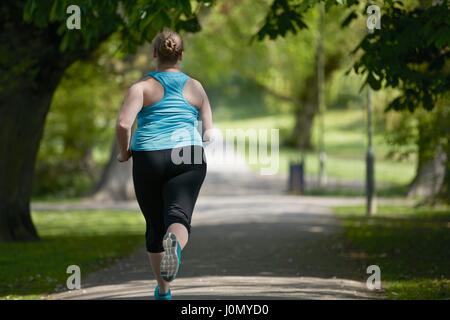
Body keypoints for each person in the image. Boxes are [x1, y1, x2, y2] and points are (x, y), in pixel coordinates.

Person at [115, 29, 213, 300]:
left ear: (154, 53)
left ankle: (164, 291)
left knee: (155, 226)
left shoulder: (141, 87)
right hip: (188, 154)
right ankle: (176, 248)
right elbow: (208, 132)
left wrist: (124, 154)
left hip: (149, 156)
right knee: (178, 216)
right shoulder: (196, 87)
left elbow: (124, 124)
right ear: (181, 55)